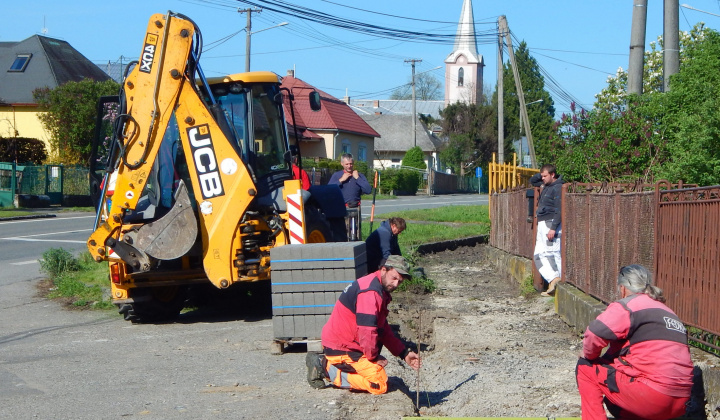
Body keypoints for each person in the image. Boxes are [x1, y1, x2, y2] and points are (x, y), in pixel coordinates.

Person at [576, 265, 693, 420]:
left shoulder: (628, 306)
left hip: (653, 398)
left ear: (623, 289)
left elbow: (594, 333)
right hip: (681, 402)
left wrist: (589, 356)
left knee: (585, 367)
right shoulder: (670, 313)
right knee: (616, 384)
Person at [306, 255, 421, 394]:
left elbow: (382, 328)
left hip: (347, 346)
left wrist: (404, 353)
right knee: (378, 383)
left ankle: (328, 365)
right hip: (342, 349)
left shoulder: (377, 286)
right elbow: (368, 331)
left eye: (400, 282)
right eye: (394, 278)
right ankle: (324, 367)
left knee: (375, 375)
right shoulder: (370, 292)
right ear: (384, 269)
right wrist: (372, 357)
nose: (396, 284)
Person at [529, 164, 564, 296]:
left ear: (553, 175)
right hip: (543, 222)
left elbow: (559, 209)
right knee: (539, 254)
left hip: (550, 224)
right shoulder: (547, 185)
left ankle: (557, 283)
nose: (542, 178)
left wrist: (553, 228)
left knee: (552, 253)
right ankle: (553, 279)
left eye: (545, 176)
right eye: (541, 176)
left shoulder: (558, 187)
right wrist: (543, 172)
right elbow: (533, 180)